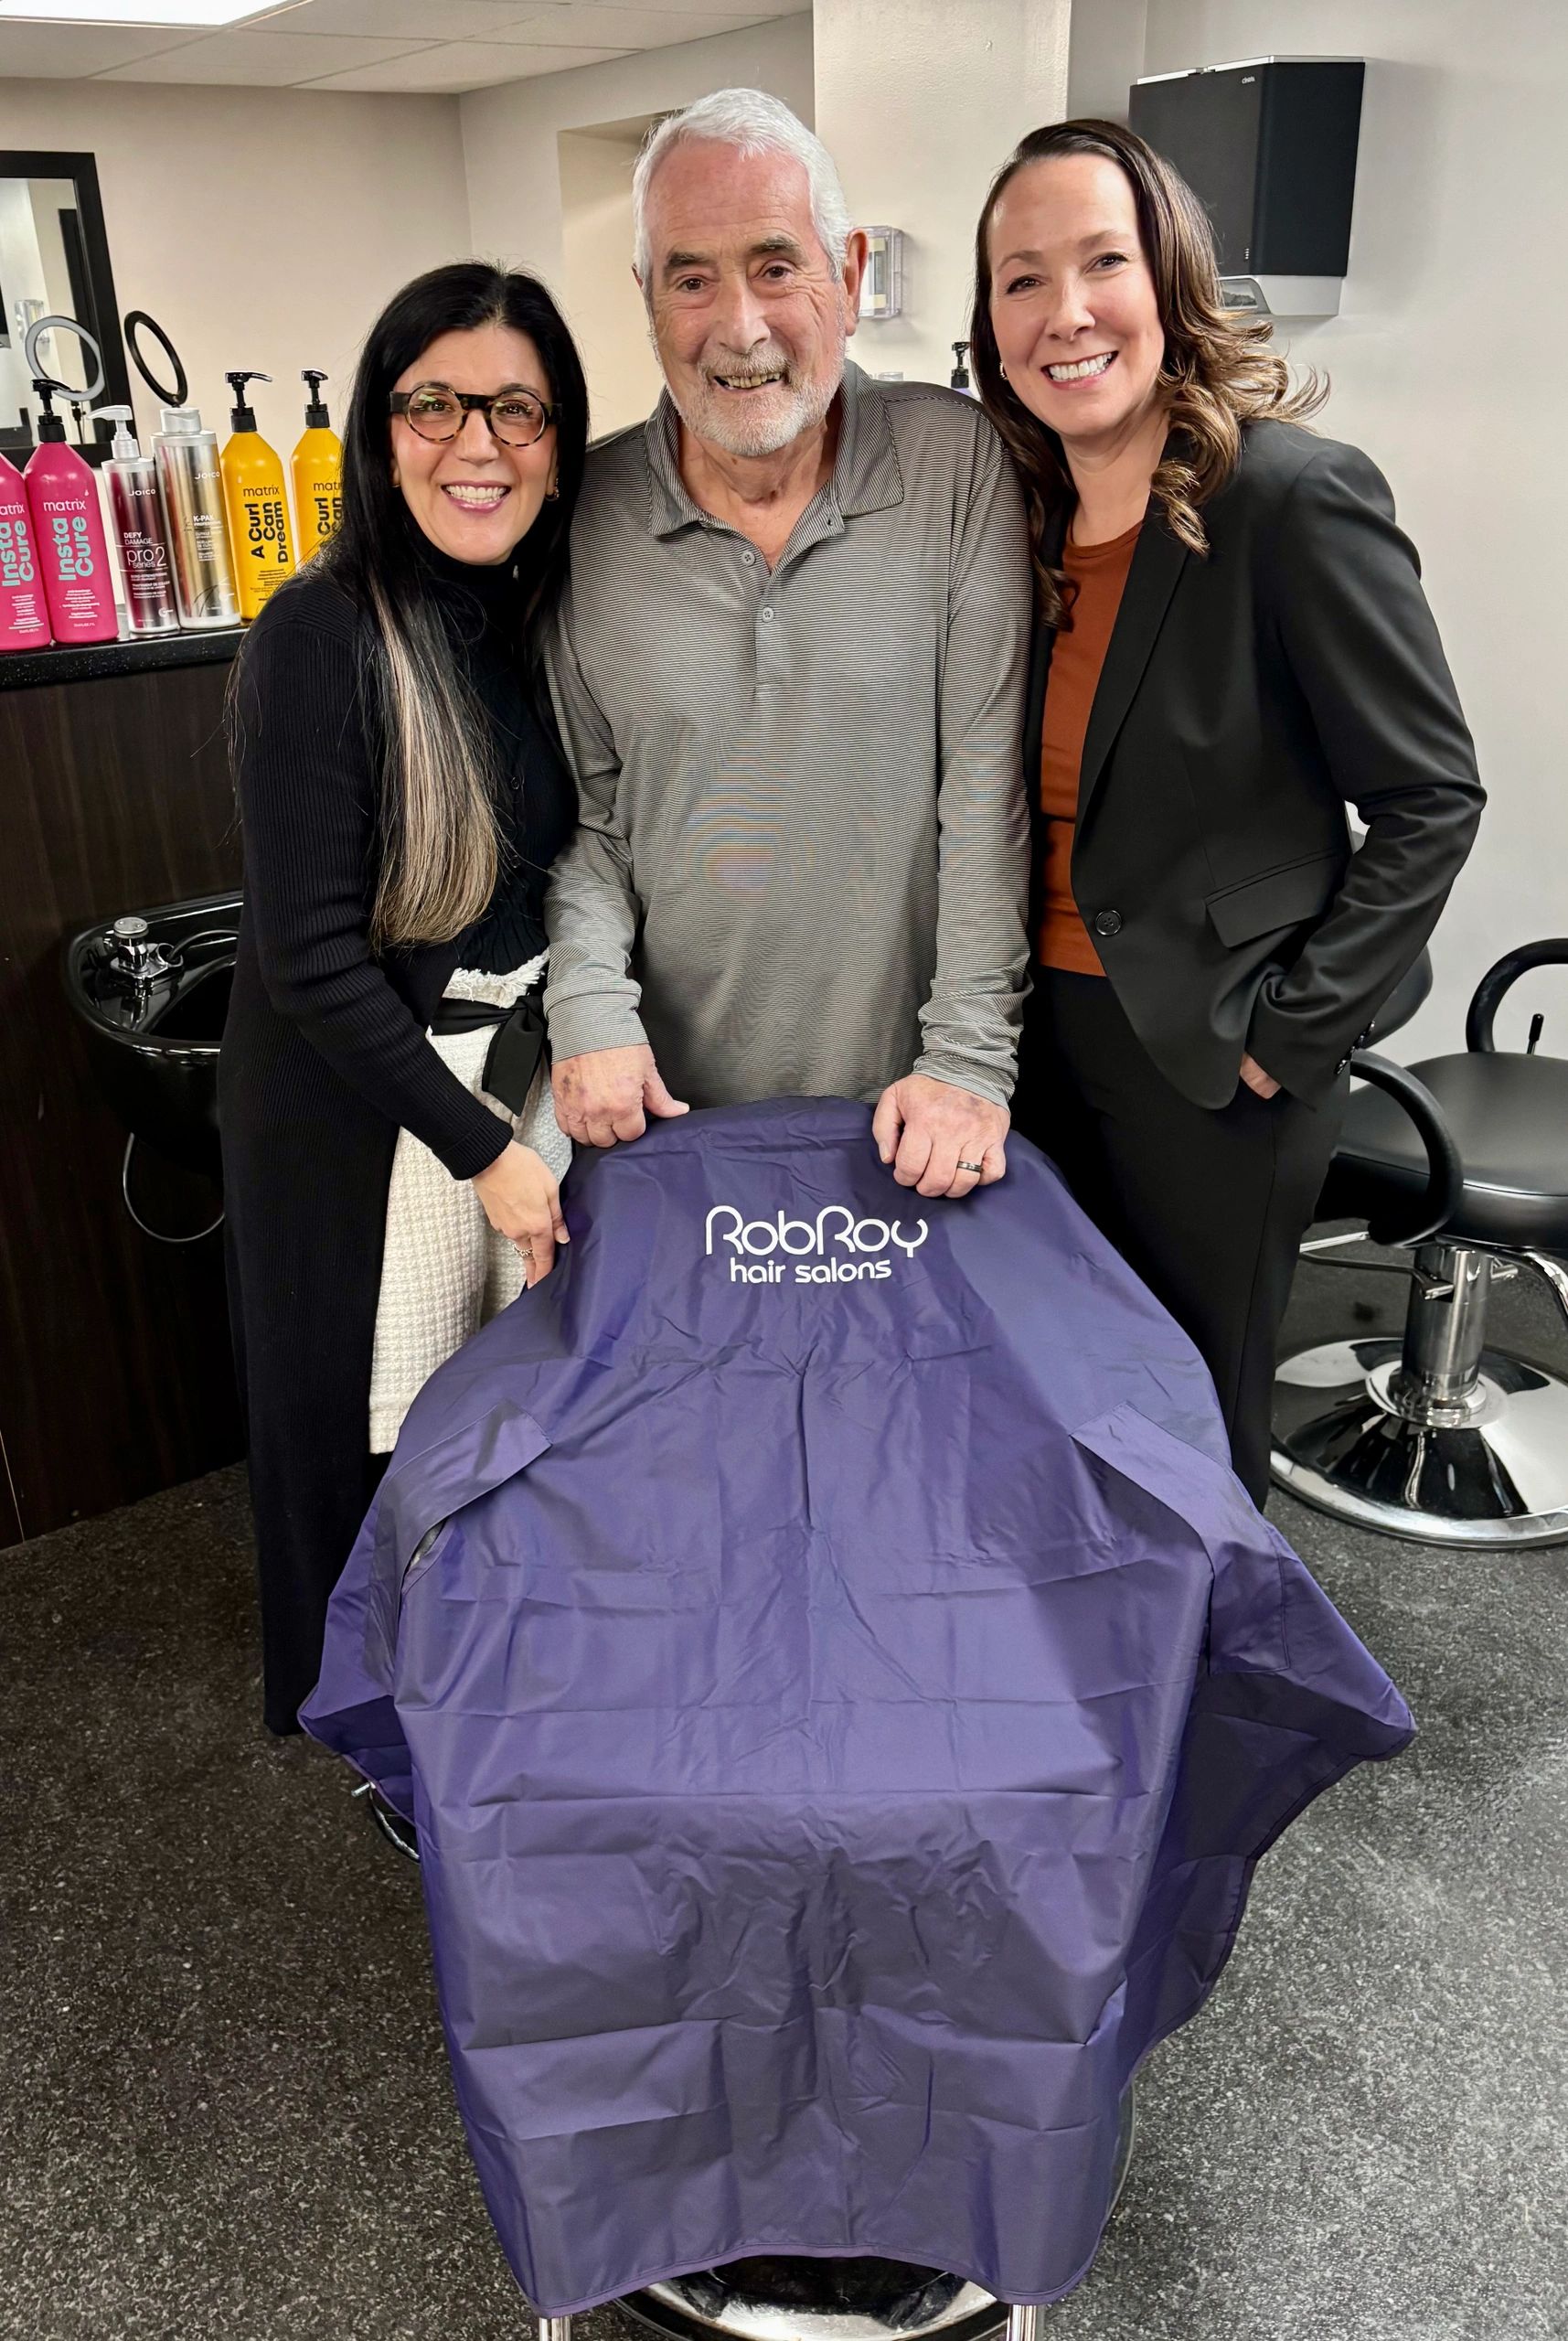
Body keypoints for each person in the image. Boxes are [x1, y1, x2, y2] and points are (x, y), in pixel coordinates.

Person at [971, 120, 1485, 1502]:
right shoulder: (1008, 519)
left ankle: (1205, 1686)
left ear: (1170, 281)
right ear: (989, 322)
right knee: (1046, 1383)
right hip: (1022, 1034)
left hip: (1208, 1051)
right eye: (1020, 279)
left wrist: (1290, 1036)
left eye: (1100, 263)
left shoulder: (1285, 500)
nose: (1062, 312)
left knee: (1187, 1409)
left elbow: (1430, 799)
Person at [542, 88, 1033, 1203]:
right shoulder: (586, 511)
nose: (740, 327)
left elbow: (984, 787)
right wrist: (587, 1009)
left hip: (909, 1121)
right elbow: (592, 818)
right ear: (646, 299)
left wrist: (964, 1061)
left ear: (848, 276)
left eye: (775, 265)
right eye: (690, 277)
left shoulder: (953, 464)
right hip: (664, 1122)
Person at [220, 262, 588, 1735]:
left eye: (514, 406)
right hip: (345, 1112)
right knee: (347, 1441)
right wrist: (487, 1151)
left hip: (487, 1077)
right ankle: (355, 1720)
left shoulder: (532, 619)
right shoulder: (319, 637)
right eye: (432, 403)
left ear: (560, 441)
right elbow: (308, 957)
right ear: (382, 429)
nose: (475, 442)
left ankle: (463, 1691)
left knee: (471, 1418)